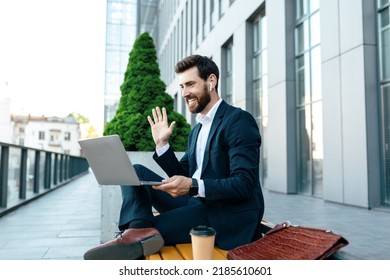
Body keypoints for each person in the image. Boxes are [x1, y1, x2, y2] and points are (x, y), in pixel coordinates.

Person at [84, 54, 265, 260]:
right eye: (182, 87)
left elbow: (244, 184)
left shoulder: (238, 121)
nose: (185, 93)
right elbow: (183, 174)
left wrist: (193, 185)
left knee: (153, 229)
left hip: (224, 214)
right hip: (197, 203)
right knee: (137, 172)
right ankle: (138, 229)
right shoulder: (197, 130)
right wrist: (162, 145)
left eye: (190, 84)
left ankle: (136, 234)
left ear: (211, 81)